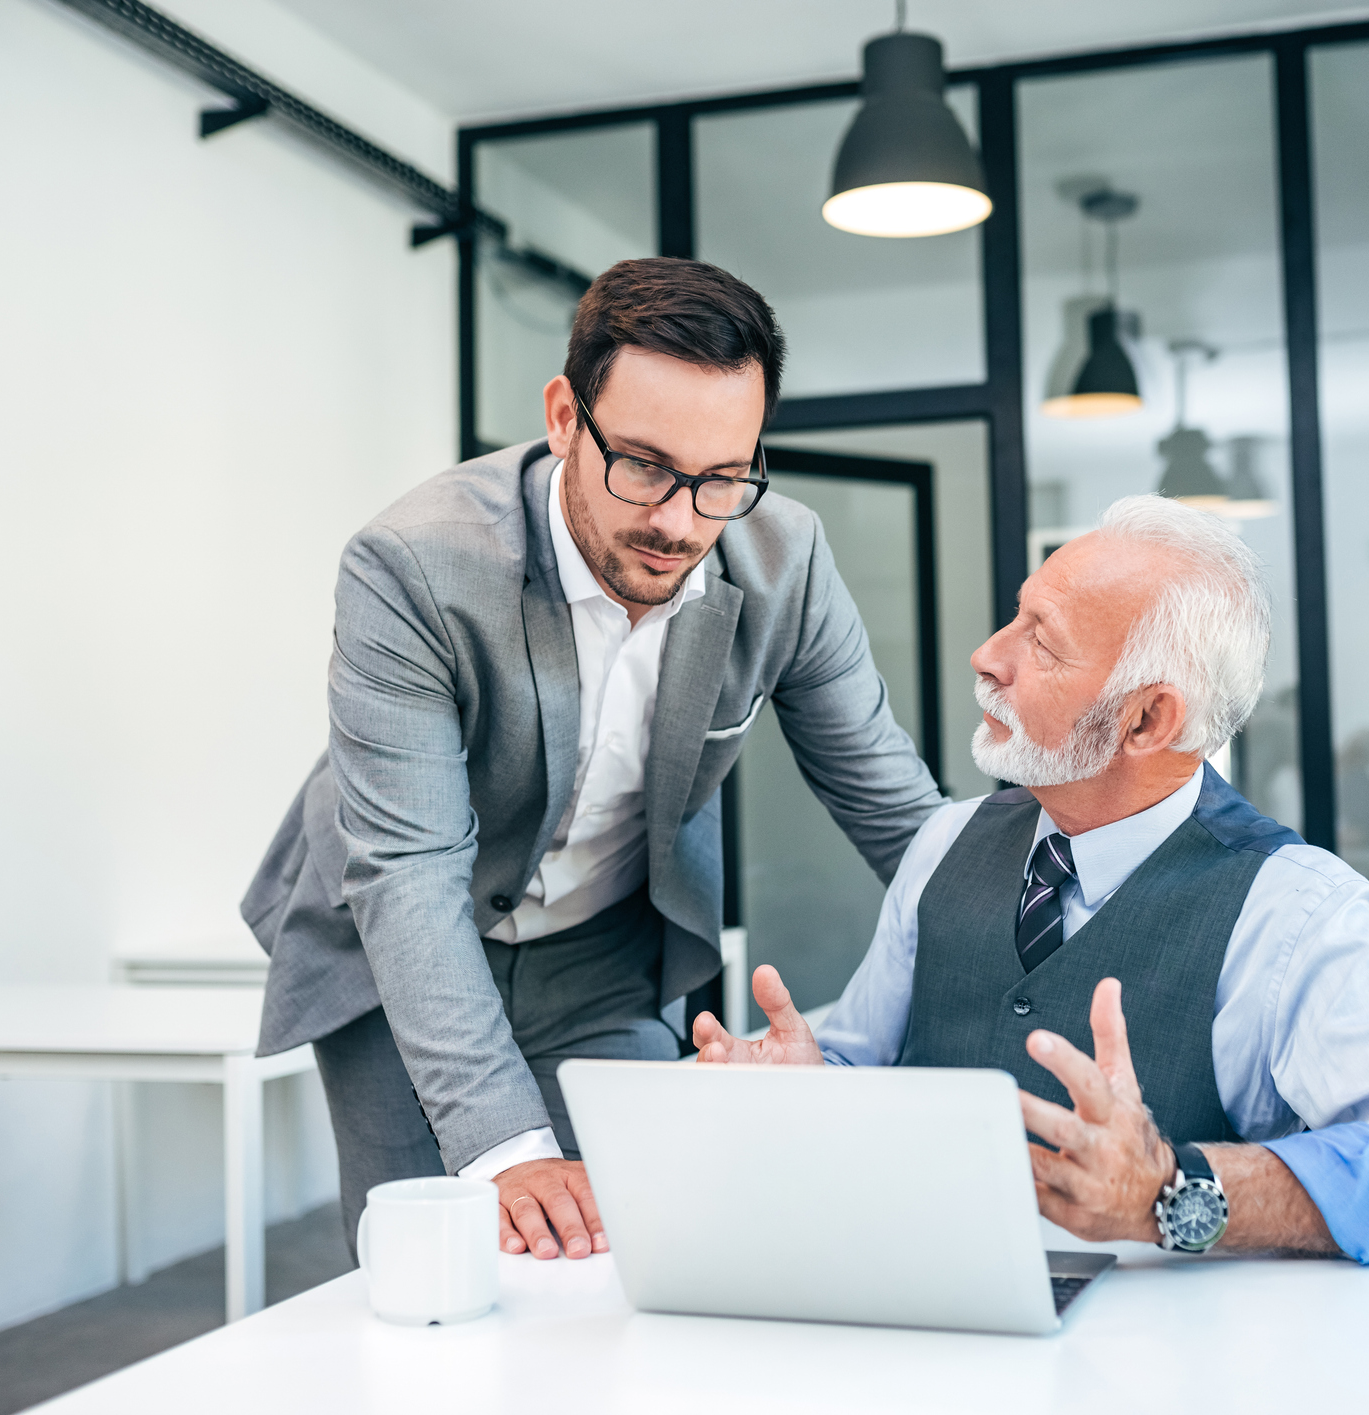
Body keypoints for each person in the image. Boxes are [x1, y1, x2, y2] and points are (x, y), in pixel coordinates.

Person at [241, 258, 945, 1263]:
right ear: (566, 416)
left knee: (631, 1247)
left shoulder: (784, 558)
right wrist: (509, 1148)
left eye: (720, 479)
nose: (679, 521)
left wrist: (1037, 964)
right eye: (647, 466)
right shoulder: (412, 566)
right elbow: (408, 872)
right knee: (433, 1272)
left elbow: (893, 806)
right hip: (399, 951)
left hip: (601, 958)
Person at [694, 495, 1369, 1261]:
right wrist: (806, 1085)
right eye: (1015, 617)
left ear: (1147, 718)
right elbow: (861, 1061)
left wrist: (1178, 1190)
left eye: (1042, 642)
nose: (987, 656)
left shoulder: (1293, 912)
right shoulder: (944, 841)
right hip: (927, 1323)